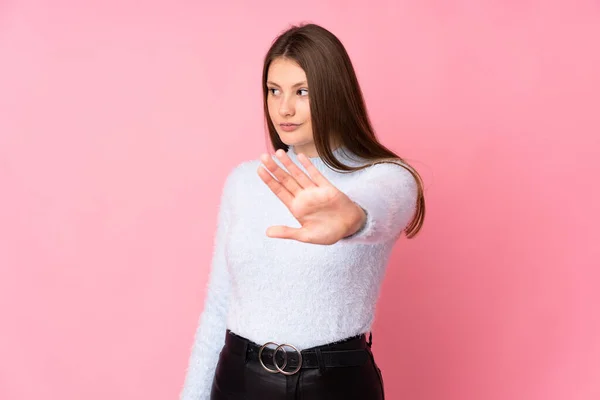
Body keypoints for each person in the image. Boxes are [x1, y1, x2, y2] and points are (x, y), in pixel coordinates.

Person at [179, 23, 425, 400]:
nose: (284, 108)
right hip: (238, 382)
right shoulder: (245, 181)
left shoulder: (385, 178)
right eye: (274, 91)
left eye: (302, 91)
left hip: (334, 386)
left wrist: (354, 218)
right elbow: (218, 307)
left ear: (334, 94)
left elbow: (386, 205)